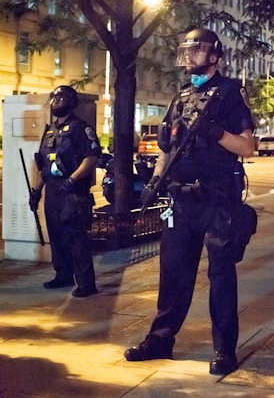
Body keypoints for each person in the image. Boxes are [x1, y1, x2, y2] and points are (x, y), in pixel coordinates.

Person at [124, 28, 256, 375]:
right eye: (185, 48)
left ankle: (225, 350)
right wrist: (155, 181)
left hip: (217, 198)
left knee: (221, 275)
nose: (188, 54)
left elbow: (246, 147)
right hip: (181, 201)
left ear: (213, 54)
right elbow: (167, 148)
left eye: (195, 48)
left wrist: (216, 132)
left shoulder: (229, 93)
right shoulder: (181, 96)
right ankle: (160, 340)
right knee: (173, 273)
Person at [29, 85, 101, 298]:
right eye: (54, 97)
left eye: (61, 97)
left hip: (73, 192)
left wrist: (72, 179)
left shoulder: (81, 129)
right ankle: (63, 274)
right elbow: (43, 165)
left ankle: (86, 283)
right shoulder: (50, 131)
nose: (56, 101)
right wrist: (36, 190)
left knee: (76, 238)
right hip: (52, 190)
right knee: (56, 235)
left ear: (71, 102)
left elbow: (91, 158)